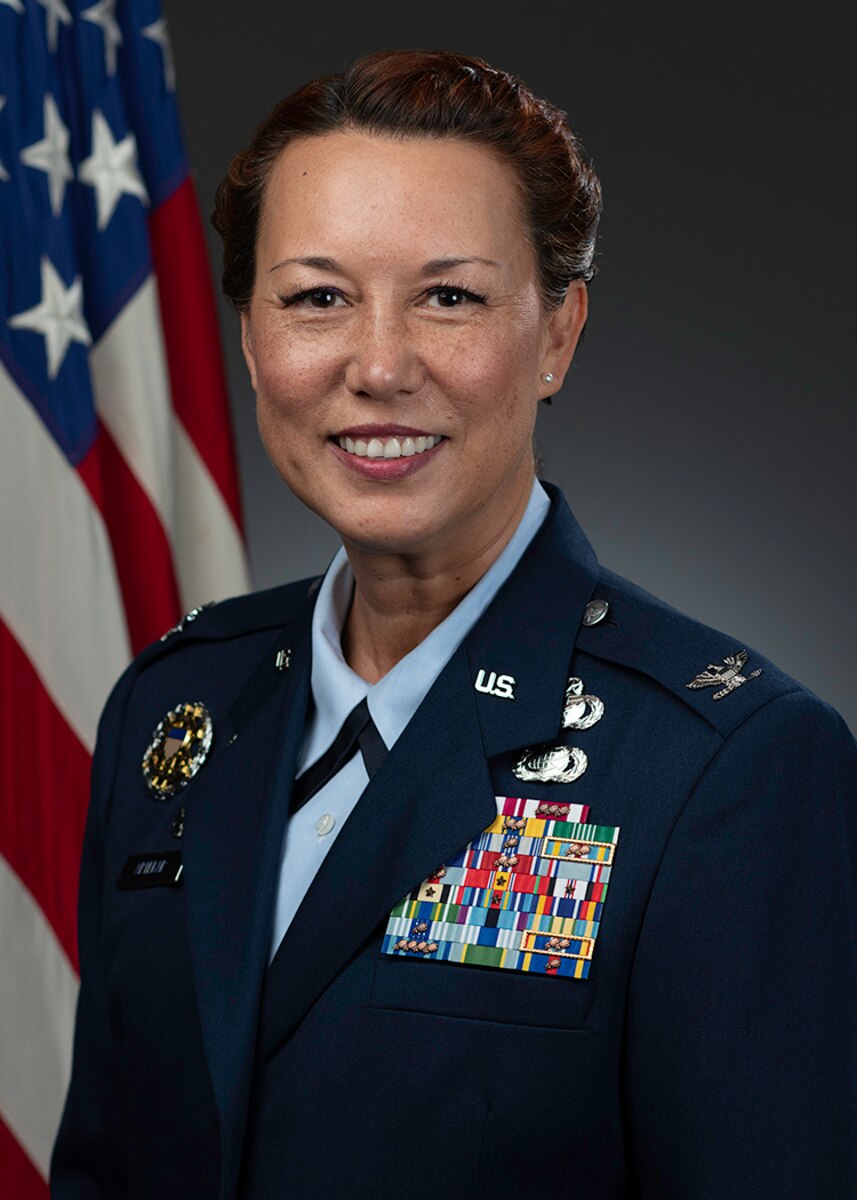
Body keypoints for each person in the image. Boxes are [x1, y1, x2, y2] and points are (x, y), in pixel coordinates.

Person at [51, 49, 857, 1199]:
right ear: (248, 336)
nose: (377, 366)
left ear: (557, 335)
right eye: (316, 297)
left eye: (450, 296)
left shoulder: (725, 767)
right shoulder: (173, 710)